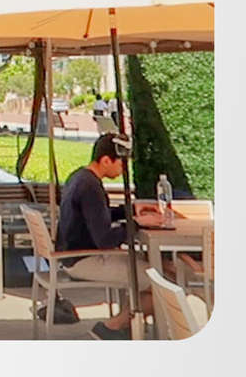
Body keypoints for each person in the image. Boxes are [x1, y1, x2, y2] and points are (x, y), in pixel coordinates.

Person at [57, 133, 167, 340]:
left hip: (73, 255)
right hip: (84, 259)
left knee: (151, 269)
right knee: (162, 283)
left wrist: (131, 210)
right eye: (121, 164)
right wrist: (137, 223)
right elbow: (106, 239)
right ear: (106, 160)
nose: (123, 170)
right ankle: (112, 327)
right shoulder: (90, 187)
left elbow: (97, 215)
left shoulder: (80, 177)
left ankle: (127, 326)